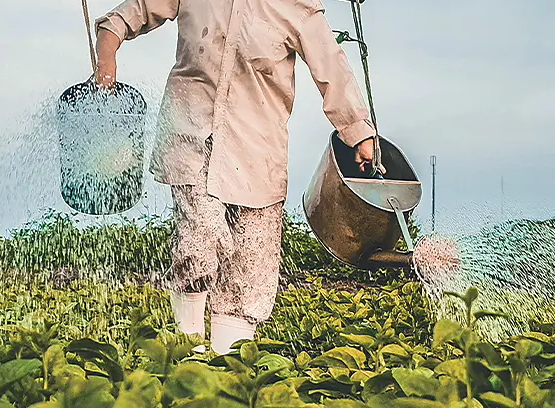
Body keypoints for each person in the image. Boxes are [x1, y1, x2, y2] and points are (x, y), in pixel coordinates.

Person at [94, 0, 380, 354]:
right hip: (192, 136)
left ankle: (229, 370)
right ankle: (187, 356)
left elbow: (332, 70)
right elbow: (126, 16)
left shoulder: (298, 7)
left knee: (250, 266)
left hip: (259, 152)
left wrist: (359, 133)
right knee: (199, 242)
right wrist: (107, 55)